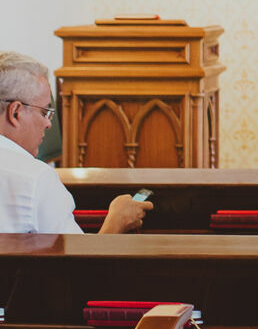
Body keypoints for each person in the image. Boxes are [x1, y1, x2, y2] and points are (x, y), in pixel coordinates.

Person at [0, 52, 149, 236]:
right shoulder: (35, 179)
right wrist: (117, 221)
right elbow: (77, 263)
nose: (48, 123)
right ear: (16, 112)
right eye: (44, 112)